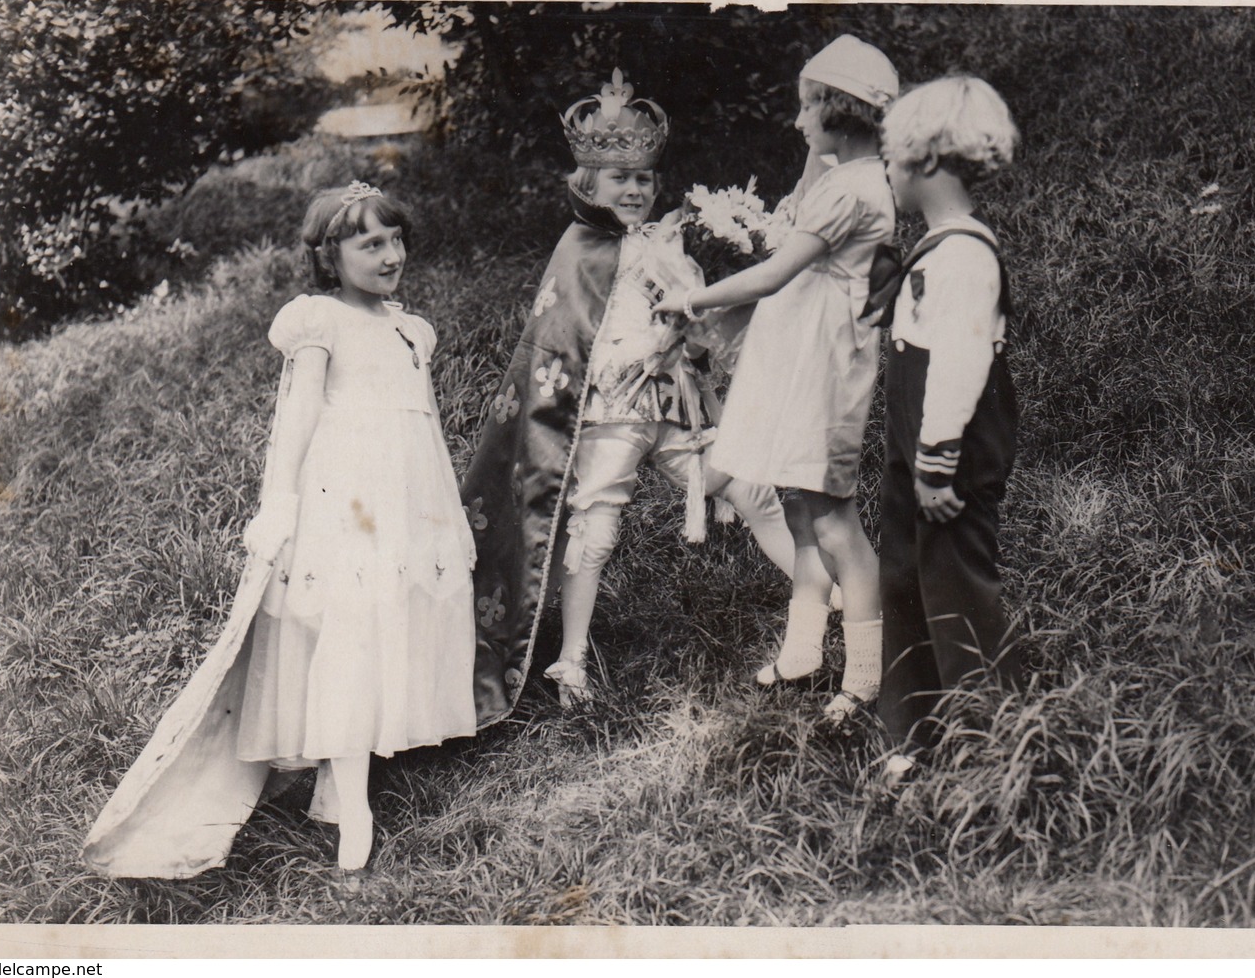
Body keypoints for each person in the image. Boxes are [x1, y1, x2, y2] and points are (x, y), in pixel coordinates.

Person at [83, 182, 476, 877]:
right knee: (349, 630)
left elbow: (426, 424)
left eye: (396, 239)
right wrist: (280, 505)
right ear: (330, 257)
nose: (391, 256)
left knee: (395, 619)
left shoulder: (411, 329)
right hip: (347, 495)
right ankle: (350, 805)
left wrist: (447, 513)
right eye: (370, 244)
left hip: (411, 495)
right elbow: (296, 420)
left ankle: (345, 774)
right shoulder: (319, 320)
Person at [462, 69, 796, 717]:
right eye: (620, 179)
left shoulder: (670, 241)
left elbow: (697, 319)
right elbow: (561, 332)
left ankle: (819, 596)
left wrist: (691, 331)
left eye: (643, 178)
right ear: (587, 183)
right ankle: (573, 655)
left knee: (748, 483)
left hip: (674, 402)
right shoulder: (579, 247)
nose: (634, 189)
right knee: (596, 521)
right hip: (609, 405)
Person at [654, 34, 897, 725]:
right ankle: (801, 652)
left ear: (840, 113)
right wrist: (814, 149)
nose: (796, 123)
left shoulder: (851, 190)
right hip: (796, 356)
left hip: (823, 370)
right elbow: (797, 201)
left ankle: (865, 679)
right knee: (796, 505)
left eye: (807, 109)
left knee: (833, 519)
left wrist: (694, 299)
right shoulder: (832, 175)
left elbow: (774, 272)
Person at [869, 75, 1025, 753]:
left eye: (890, 157)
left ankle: (994, 743)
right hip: (914, 452)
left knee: (955, 589)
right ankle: (914, 735)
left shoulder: (963, 257)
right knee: (902, 581)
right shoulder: (935, 248)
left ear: (924, 159)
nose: (886, 172)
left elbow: (959, 369)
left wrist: (935, 468)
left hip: (947, 458)